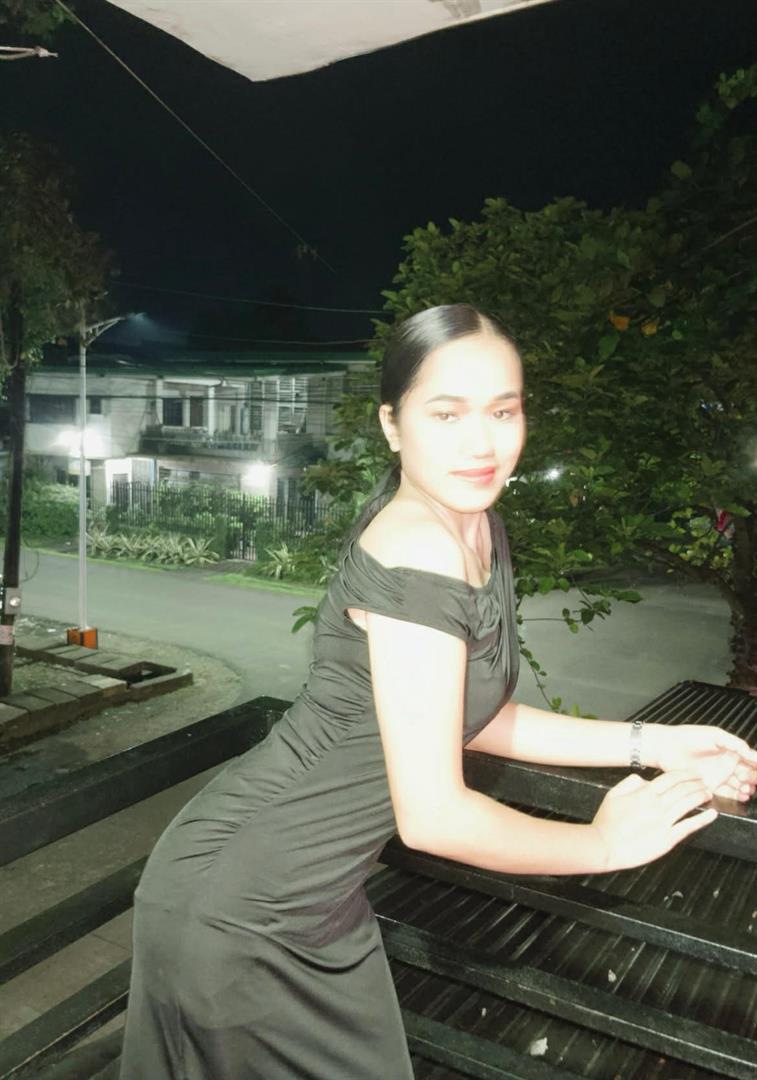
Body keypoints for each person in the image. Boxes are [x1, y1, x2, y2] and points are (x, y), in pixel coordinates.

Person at [119, 304, 757, 1080]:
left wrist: (650, 741)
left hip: (310, 895)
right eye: (446, 413)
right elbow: (433, 818)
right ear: (392, 425)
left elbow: (469, 718)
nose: (481, 443)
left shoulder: (473, 523)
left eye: (503, 410)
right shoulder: (419, 549)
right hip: (245, 907)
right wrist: (601, 845)